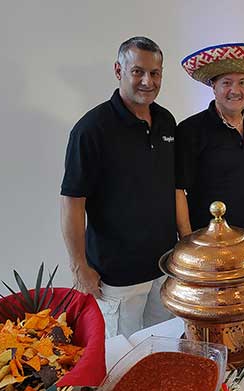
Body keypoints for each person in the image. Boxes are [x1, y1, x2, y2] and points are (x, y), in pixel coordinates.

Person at [60, 37, 176, 338]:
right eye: (138, 71)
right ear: (118, 70)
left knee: (162, 350)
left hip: (164, 270)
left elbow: (173, 189)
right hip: (117, 277)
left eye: (155, 73)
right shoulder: (91, 130)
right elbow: (73, 202)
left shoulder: (166, 122)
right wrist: (79, 267)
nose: (147, 81)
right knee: (121, 361)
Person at [175, 43, 244, 238]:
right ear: (213, 86)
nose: (235, 90)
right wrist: (186, 238)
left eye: (242, 82)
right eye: (226, 82)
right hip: (208, 243)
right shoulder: (190, 129)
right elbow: (178, 189)